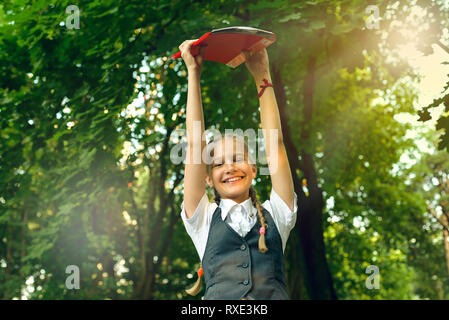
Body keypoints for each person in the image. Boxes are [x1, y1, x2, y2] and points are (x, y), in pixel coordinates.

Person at [178, 39, 297, 300]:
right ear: (208, 179)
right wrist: (193, 74)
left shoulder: (278, 214)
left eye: (237, 159)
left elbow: (275, 143)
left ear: (254, 169)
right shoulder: (203, 221)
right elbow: (195, 142)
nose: (229, 167)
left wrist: (262, 76)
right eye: (218, 163)